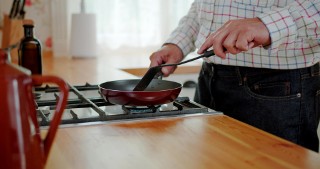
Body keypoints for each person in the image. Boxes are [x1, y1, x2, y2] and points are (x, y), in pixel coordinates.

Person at [149, 0, 320, 152]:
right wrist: (178, 43)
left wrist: (267, 25)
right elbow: (204, 7)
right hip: (209, 79)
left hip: (277, 89)